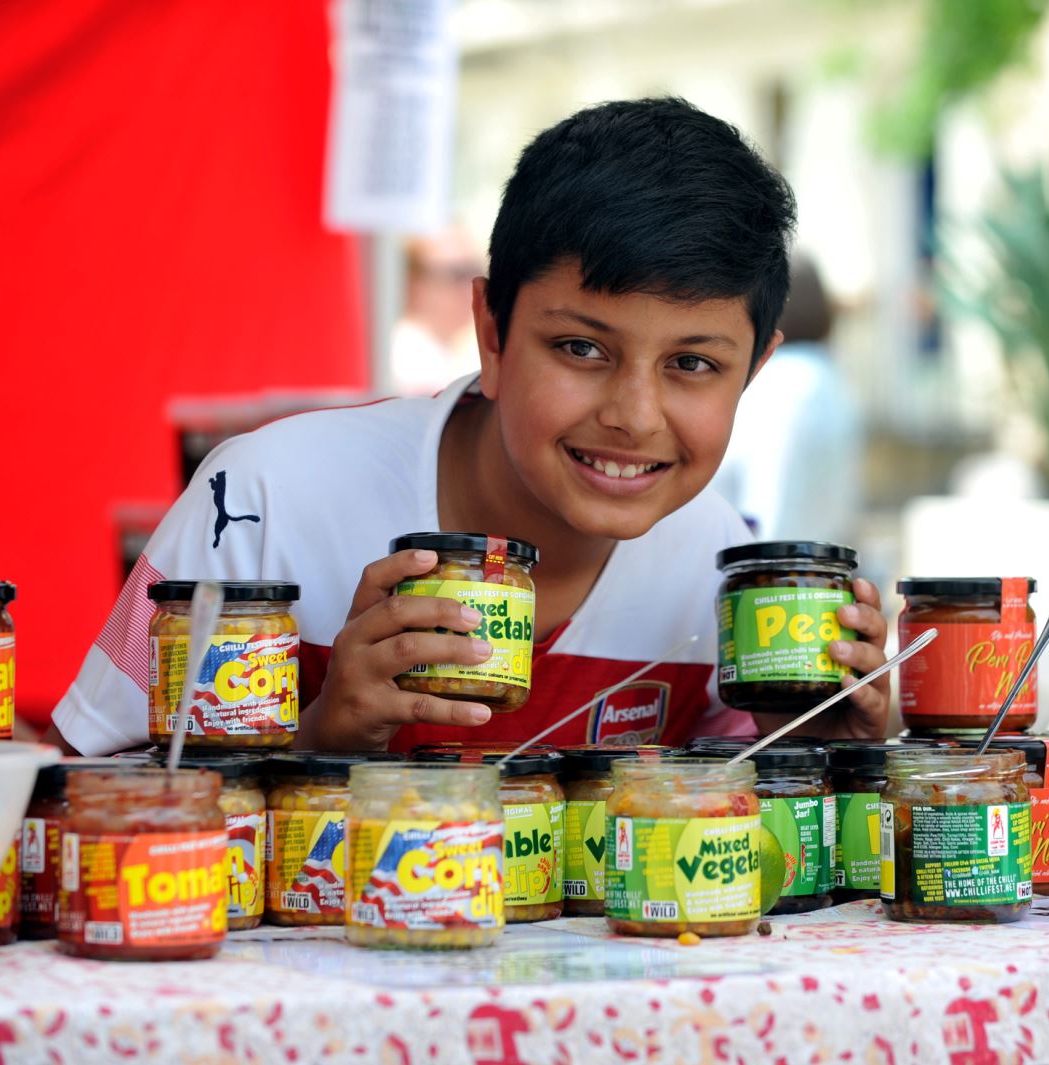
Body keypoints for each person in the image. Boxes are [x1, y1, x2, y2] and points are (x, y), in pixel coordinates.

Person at [51, 98, 893, 755]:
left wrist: (827, 747)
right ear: (490, 332)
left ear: (754, 372)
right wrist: (316, 738)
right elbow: (86, 798)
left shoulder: (724, 579)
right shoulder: (262, 505)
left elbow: (734, 850)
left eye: (694, 365)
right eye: (580, 347)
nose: (633, 416)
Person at [711, 256, 861, 542]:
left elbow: (771, 495)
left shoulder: (784, 385)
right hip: (816, 556)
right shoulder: (830, 380)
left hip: (768, 566)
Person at [388, 226, 485, 396]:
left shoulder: (446, 353)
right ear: (413, 280)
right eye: (458, 274)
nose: (471, 286)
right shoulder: (409, 359)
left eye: (475, 270)